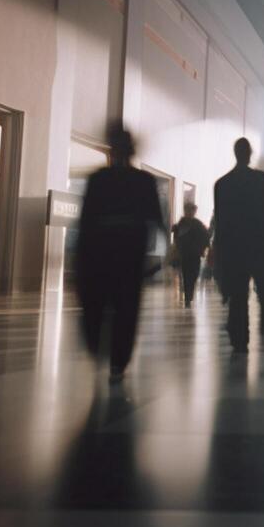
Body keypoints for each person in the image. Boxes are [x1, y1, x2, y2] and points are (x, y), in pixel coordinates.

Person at [77, 123, 162, 380]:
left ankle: (104, 352)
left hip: (101, 252)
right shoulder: (144, 181)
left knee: (97, 305)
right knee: (127, 308)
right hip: (129, 252)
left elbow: (86, 221)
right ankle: (118, 361)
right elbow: (156, 220)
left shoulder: (99, 179)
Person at [213, 138, 264, 351]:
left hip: (234, 247)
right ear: (249, 153)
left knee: (238, 293)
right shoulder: (262, 180)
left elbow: (221, 221)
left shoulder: (222, 184)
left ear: (235, 153)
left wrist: (219, 249)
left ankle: (239, 339)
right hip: (259, 244)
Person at [171, 201, 210, 307]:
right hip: (186, 254)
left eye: (191, 210)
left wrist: (202, 249)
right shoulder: (182, 223)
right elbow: (177, 238)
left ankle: (189, 294)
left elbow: (206, 237)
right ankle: (188, 296)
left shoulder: (197, 224)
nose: (189, 212)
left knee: (192, 275)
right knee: (187, 274)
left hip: (194, 254)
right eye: (188, 210)